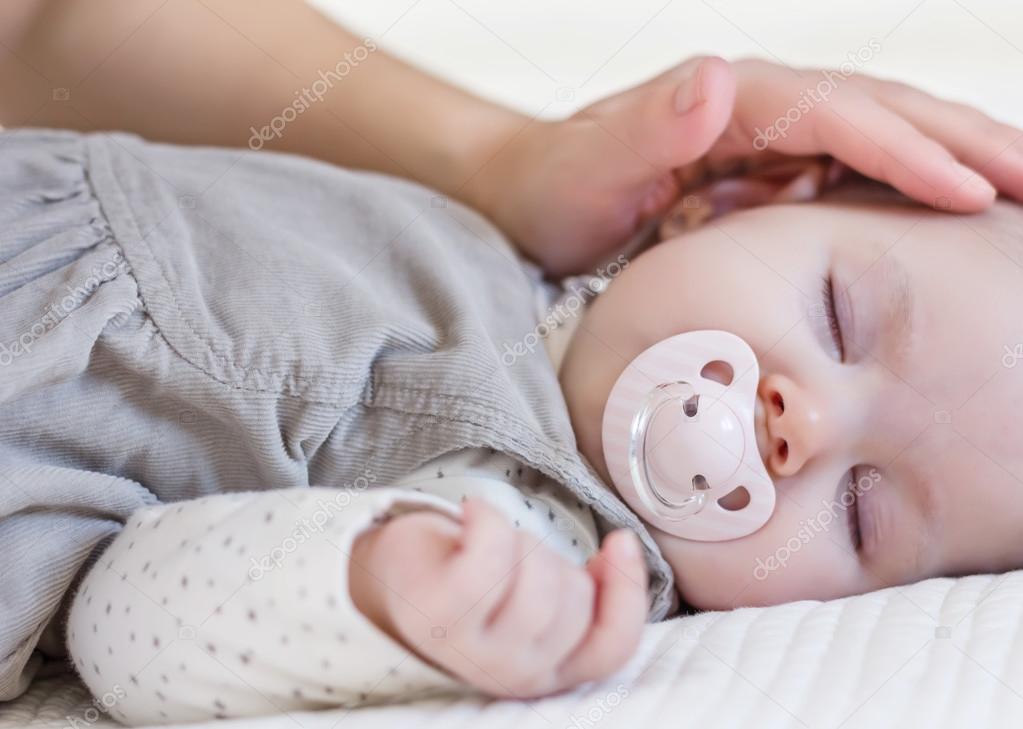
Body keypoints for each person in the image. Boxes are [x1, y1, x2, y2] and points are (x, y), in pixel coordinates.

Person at [2, 0, 1022, 724]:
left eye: (863, 512)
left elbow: (124, 620)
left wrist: (375, 592)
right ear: (739, 198)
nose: (811, 426)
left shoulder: (530, 532)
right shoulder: (517, 251)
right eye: (840, 317)